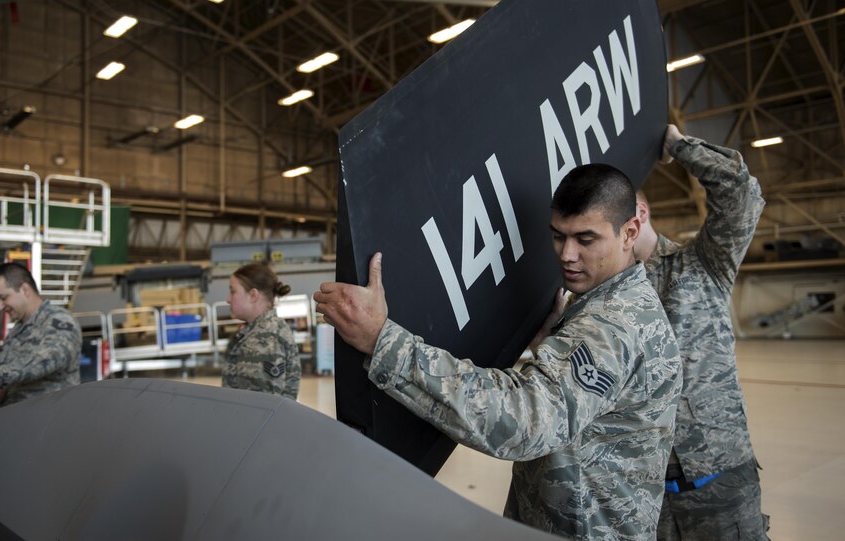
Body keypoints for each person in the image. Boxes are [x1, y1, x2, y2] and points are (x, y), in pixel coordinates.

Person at [315, 165, 682, 540]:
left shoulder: (614, 323)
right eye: (558, 236)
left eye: (585, 239)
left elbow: (526, 422)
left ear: (630, 233)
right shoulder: (601, 305)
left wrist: (383, 341)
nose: (567, 254)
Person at [633, 125, 770, 539]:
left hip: (721, 482)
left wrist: (679, 146)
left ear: (639, 214)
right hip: (645, 491)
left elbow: (742, 197)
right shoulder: (599, 299)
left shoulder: (701, 264)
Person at [0, 262, 81, 407]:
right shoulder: (19, 329)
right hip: (17, 419)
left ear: (25, 289)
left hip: (48, 420)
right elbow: (12, 372)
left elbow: (49, 359)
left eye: (3, 298)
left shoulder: (60, 321)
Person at [222, 263, 300, 400]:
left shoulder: (266, 337)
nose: (228, 299)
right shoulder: (257, 331)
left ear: (253, 295)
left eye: (233, 291)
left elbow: (262, 405)